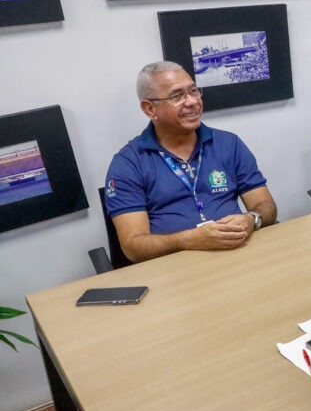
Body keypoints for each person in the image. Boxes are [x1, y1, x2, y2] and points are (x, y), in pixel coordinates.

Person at [103, 61, 277, 264]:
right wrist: (189, 240)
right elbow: (133, 247)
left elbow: (266, 206)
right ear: (150, 109)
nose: (193, 101)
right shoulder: (128, 163)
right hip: (174, 269)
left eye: (194, 91)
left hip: (239, 256)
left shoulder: (228, 144)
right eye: (177, 96)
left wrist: (252, 219)